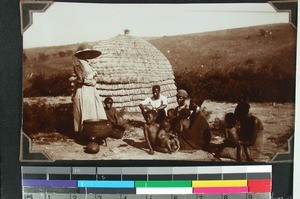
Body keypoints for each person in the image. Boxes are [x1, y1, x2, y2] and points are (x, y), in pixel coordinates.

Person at [70, 43, 107, 133]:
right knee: (86, 110)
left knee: (93, 110)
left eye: (89, 53)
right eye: (86, 52)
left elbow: (92, 77)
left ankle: (94, 131)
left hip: (91, 90)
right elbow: (81, 78)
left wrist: (94, 80)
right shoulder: (78, 63)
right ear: (81, 53)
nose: (88, 54)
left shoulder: (87, 63)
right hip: (83, 90)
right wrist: (91, 82)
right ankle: (85, 131)